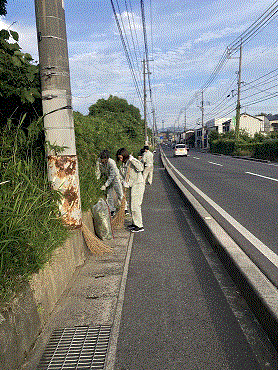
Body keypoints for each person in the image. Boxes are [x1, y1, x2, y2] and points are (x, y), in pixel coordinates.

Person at [116, 147, 145, 233]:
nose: (120, 159)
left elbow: (141, 168)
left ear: (125, 156)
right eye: (119, 158)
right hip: (131, 186)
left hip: (138, 185)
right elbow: (121, 176)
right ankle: (134, 223)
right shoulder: (123, 165)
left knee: (135, 205)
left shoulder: (132, 161)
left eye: (121, 157)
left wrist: (133, 160)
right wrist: (123, 182)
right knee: (132, 205)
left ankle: (139, 226)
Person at [96, 150, 126, 217]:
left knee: (119, 192)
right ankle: (112, 210)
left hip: (115, 178)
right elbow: (97, 171)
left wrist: (106, 184)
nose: (102, 161)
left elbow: (112, 175)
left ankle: (124, 208)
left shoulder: (111, 163)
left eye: (104, 160)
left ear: (107, 159)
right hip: (106, 177)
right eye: (101, 160)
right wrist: (97, 180)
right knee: (109, 195)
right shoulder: (99, 161)